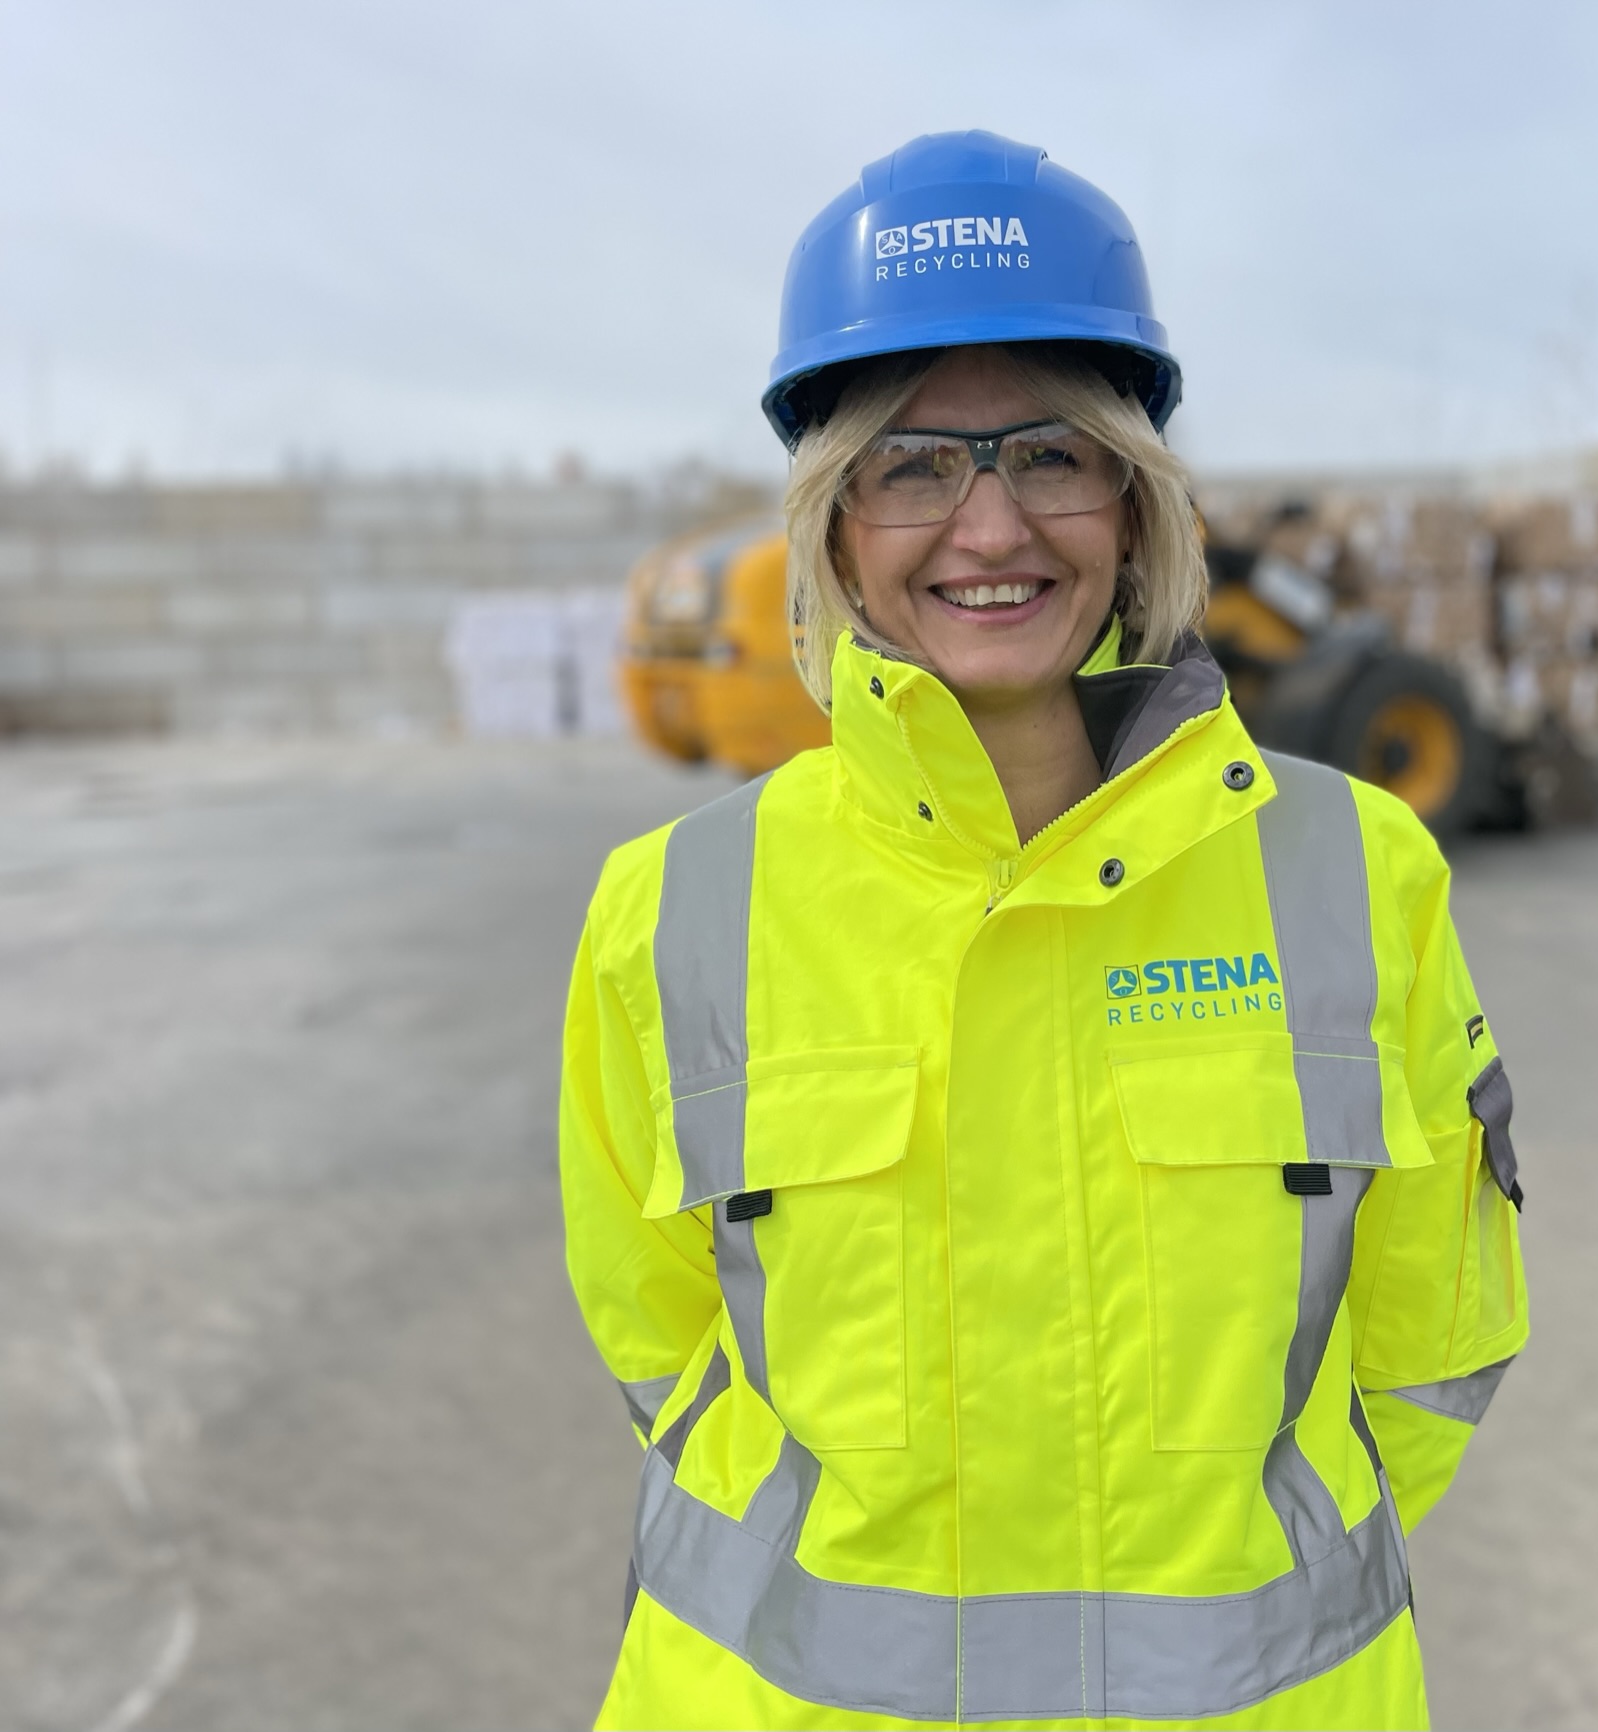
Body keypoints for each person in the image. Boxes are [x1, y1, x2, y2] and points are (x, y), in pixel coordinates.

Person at [560, 129, 1528, 1731]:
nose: (992, 529)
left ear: (1135, 503)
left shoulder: (1358, 870)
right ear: (834, 520)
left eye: (1051, 455)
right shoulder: (667, 910)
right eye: (915, 463)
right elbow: (662, 1349)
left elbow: (1434, 1345)